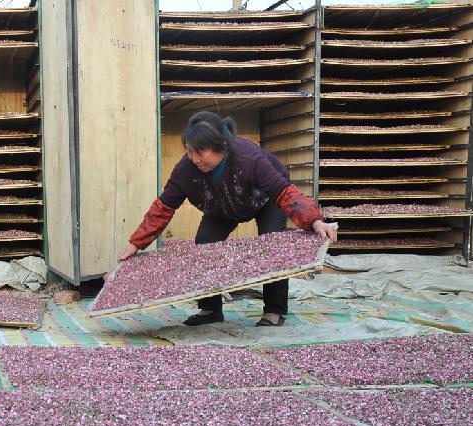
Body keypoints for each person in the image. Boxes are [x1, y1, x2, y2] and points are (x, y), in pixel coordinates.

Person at [119, 111, 337, 327]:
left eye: (200, 152)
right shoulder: (186, 170)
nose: (194, 159)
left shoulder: (250, 159)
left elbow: (284, 193)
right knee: (205, 244)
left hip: (265, 200)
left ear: (221, 145)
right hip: (221, 206)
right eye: (189, 152)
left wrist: (315, 221)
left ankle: (274, 310)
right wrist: (135, 243)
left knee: (273, 246)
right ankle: (210, 309)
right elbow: (163, 207)